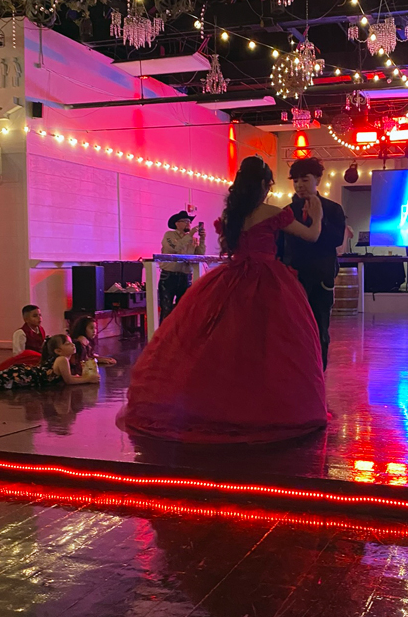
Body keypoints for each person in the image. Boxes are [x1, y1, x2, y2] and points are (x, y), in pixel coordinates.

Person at [118, 155, 328, 444]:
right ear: (264, 185)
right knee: (269, 344)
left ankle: (220, 403)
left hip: (231, 278)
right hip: (268, 280)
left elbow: (230, 246)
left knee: (226, 342)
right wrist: (316, 214)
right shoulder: (270, 211)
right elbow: (312, 236)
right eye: (269, 184)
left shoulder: (230, 217)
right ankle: (261, 406)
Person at [282, 157, 346, 370]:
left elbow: (336, 240)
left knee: (320, 327)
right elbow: (281, 246)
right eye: (296, 181)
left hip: (321, 278)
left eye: (305, 179)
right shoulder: (287, 211)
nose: (299, 185)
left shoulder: (333, 209)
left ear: (318, 179)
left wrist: (318, 218)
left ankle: (319, 373)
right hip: (293, 278)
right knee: (293, 328)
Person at [0, 334, 100, 390]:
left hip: (27, 374)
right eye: (68, 344)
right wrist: (88, 379)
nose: (73, 345)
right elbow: (69, 381)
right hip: (26, 375)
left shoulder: (62, 359)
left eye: (71, 343)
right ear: (58, 351)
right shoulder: (62, 359)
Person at [159, 211, 206, 319]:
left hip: (185, 276)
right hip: (169, 276)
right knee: (167, 309)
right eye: (185, 221)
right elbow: (175, 248)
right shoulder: (169, 235)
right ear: (177, 223)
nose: (188, 224)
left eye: (189, 221)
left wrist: (202, 239)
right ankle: (165, 335)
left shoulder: (193, 239)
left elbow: (200, 255)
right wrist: (189, 235)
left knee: (184, 310)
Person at [0, 304, 47, 373]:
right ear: (26, 319)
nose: (39, 318)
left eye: (40, 315)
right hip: (27, 362)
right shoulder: (21, 333)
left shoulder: (41, 330)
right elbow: (18, 354)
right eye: (35, 316)